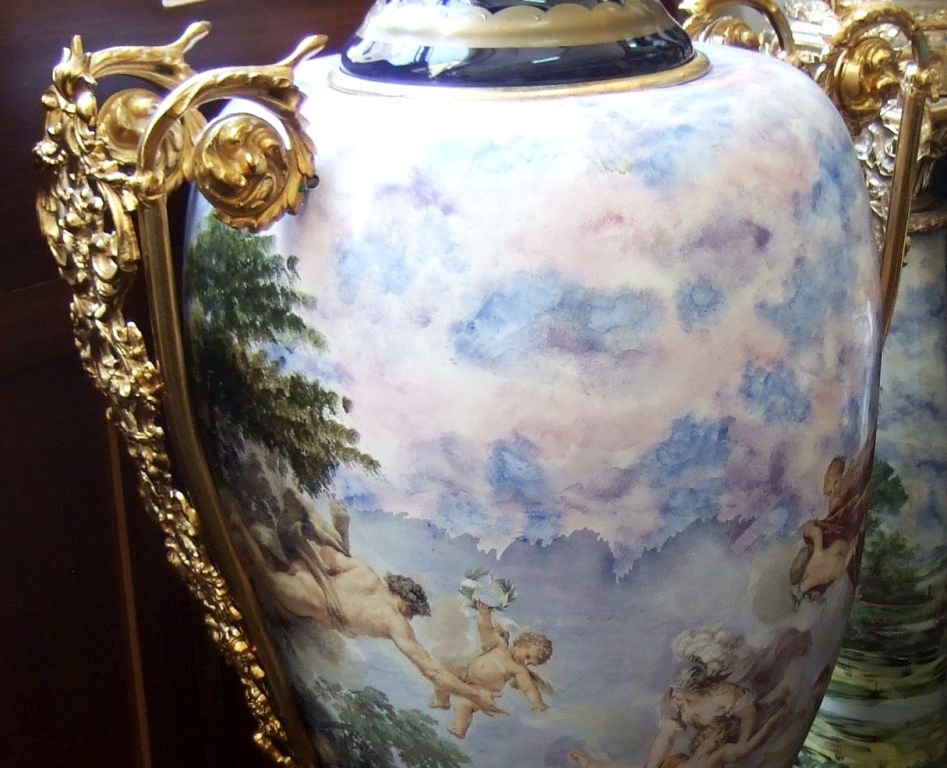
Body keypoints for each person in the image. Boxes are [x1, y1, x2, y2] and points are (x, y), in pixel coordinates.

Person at [232, 511, 503, 715]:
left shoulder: (366, 572)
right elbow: (431, 670)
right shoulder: (396, 622)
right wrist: (475, 695)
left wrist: (331, 573)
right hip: (311, 601)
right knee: (256, 576)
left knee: (259, 570)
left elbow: (327, 553)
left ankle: (244, 532)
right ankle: (238, 528)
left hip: (307, 576)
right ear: (407, 604)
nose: (411, 617)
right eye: (413, 612)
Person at [429, 600, 553, 738]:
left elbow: (529, 687)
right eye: (527, 656)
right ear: (521, 643)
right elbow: (486, 630)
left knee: (464, 704)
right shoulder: (500, 645)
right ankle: (443, 701)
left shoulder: (518, 670)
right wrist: (485, 614)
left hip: (482, 689)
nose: (526, 662)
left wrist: (537, 703)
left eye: (530, 663)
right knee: (442, 674)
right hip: (466, 673)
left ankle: (459, 729)